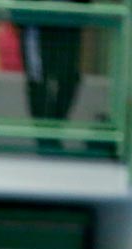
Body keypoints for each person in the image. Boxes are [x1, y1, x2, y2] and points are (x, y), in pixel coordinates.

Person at [18, 0, 88, 152]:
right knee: (38, 81)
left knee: (70, 79)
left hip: (67, 24)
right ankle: (44, 138)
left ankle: (53, 133)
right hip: (35, 23)